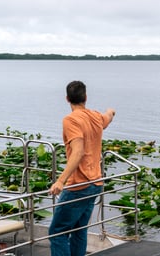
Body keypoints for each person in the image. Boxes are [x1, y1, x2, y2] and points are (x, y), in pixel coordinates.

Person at [49, 80, 115, 256]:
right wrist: (111, 111)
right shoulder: (95, 116)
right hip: (96, 183)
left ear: (67, 99)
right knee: (79, 229)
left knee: (57, 232)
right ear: (85, 97)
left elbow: (78, 152)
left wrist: (60, 181)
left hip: (79, 185)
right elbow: (107, 118)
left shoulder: (70, 120)